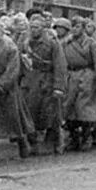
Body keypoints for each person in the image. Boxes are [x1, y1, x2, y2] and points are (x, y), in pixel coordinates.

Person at [0, 19, 33, 163]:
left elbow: (12, 70)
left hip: (7, 87)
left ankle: (22, 142)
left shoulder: (10, 47)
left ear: (2, 32)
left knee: (13, 117)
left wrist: (1, 85)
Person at [21, 15, 68, 155]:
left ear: (43, 29)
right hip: (30, 80)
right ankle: (33, 143)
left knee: (51, 114)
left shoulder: (52, 43)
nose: (33, 30)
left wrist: (59, 87)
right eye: (31, 27)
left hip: (47, 81)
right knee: (30, 114)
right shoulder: (25, 42)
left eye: (36, 27)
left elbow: (60, 66)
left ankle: (58, 140)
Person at [63, 16, 96, 152]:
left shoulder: (92, 43)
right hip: (71, 76)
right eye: (73, 26)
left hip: (87, 77)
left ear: (83, 28)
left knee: (85, 109)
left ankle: (87, 136)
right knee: (69, 108)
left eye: (77, 27)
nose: (74, 29)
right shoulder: (66, 42)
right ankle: (73, 137)